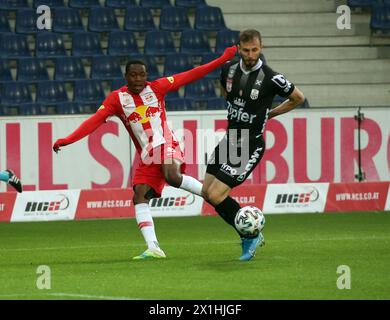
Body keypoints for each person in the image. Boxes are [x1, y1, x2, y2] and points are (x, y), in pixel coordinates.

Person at [52, 45, 238, 260]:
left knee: (172, 175)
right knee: (139, 195)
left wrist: (222, 59)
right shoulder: (116, 99)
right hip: (148, 155)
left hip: (167, 143)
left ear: (147, 75)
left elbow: (192, 74)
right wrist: (67, 140)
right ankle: (153, 247)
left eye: (141, 74)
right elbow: (93, 121)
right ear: (126, 76)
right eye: (133, 75)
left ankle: (209, 193)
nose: (138, 79)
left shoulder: (157, 88)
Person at [202, 29, 305, 261]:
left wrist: (272, 114)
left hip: (249, 145)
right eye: (246, 50)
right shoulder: (228, 69)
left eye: (255, 50)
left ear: (261, 48)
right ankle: (248, 232)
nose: (250, 54)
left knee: (217, 195)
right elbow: (226, 91)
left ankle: (250, 234)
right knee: (206, 192)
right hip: (229, 140)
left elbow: (298, 97)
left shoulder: (271, 77)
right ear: (238, 48)